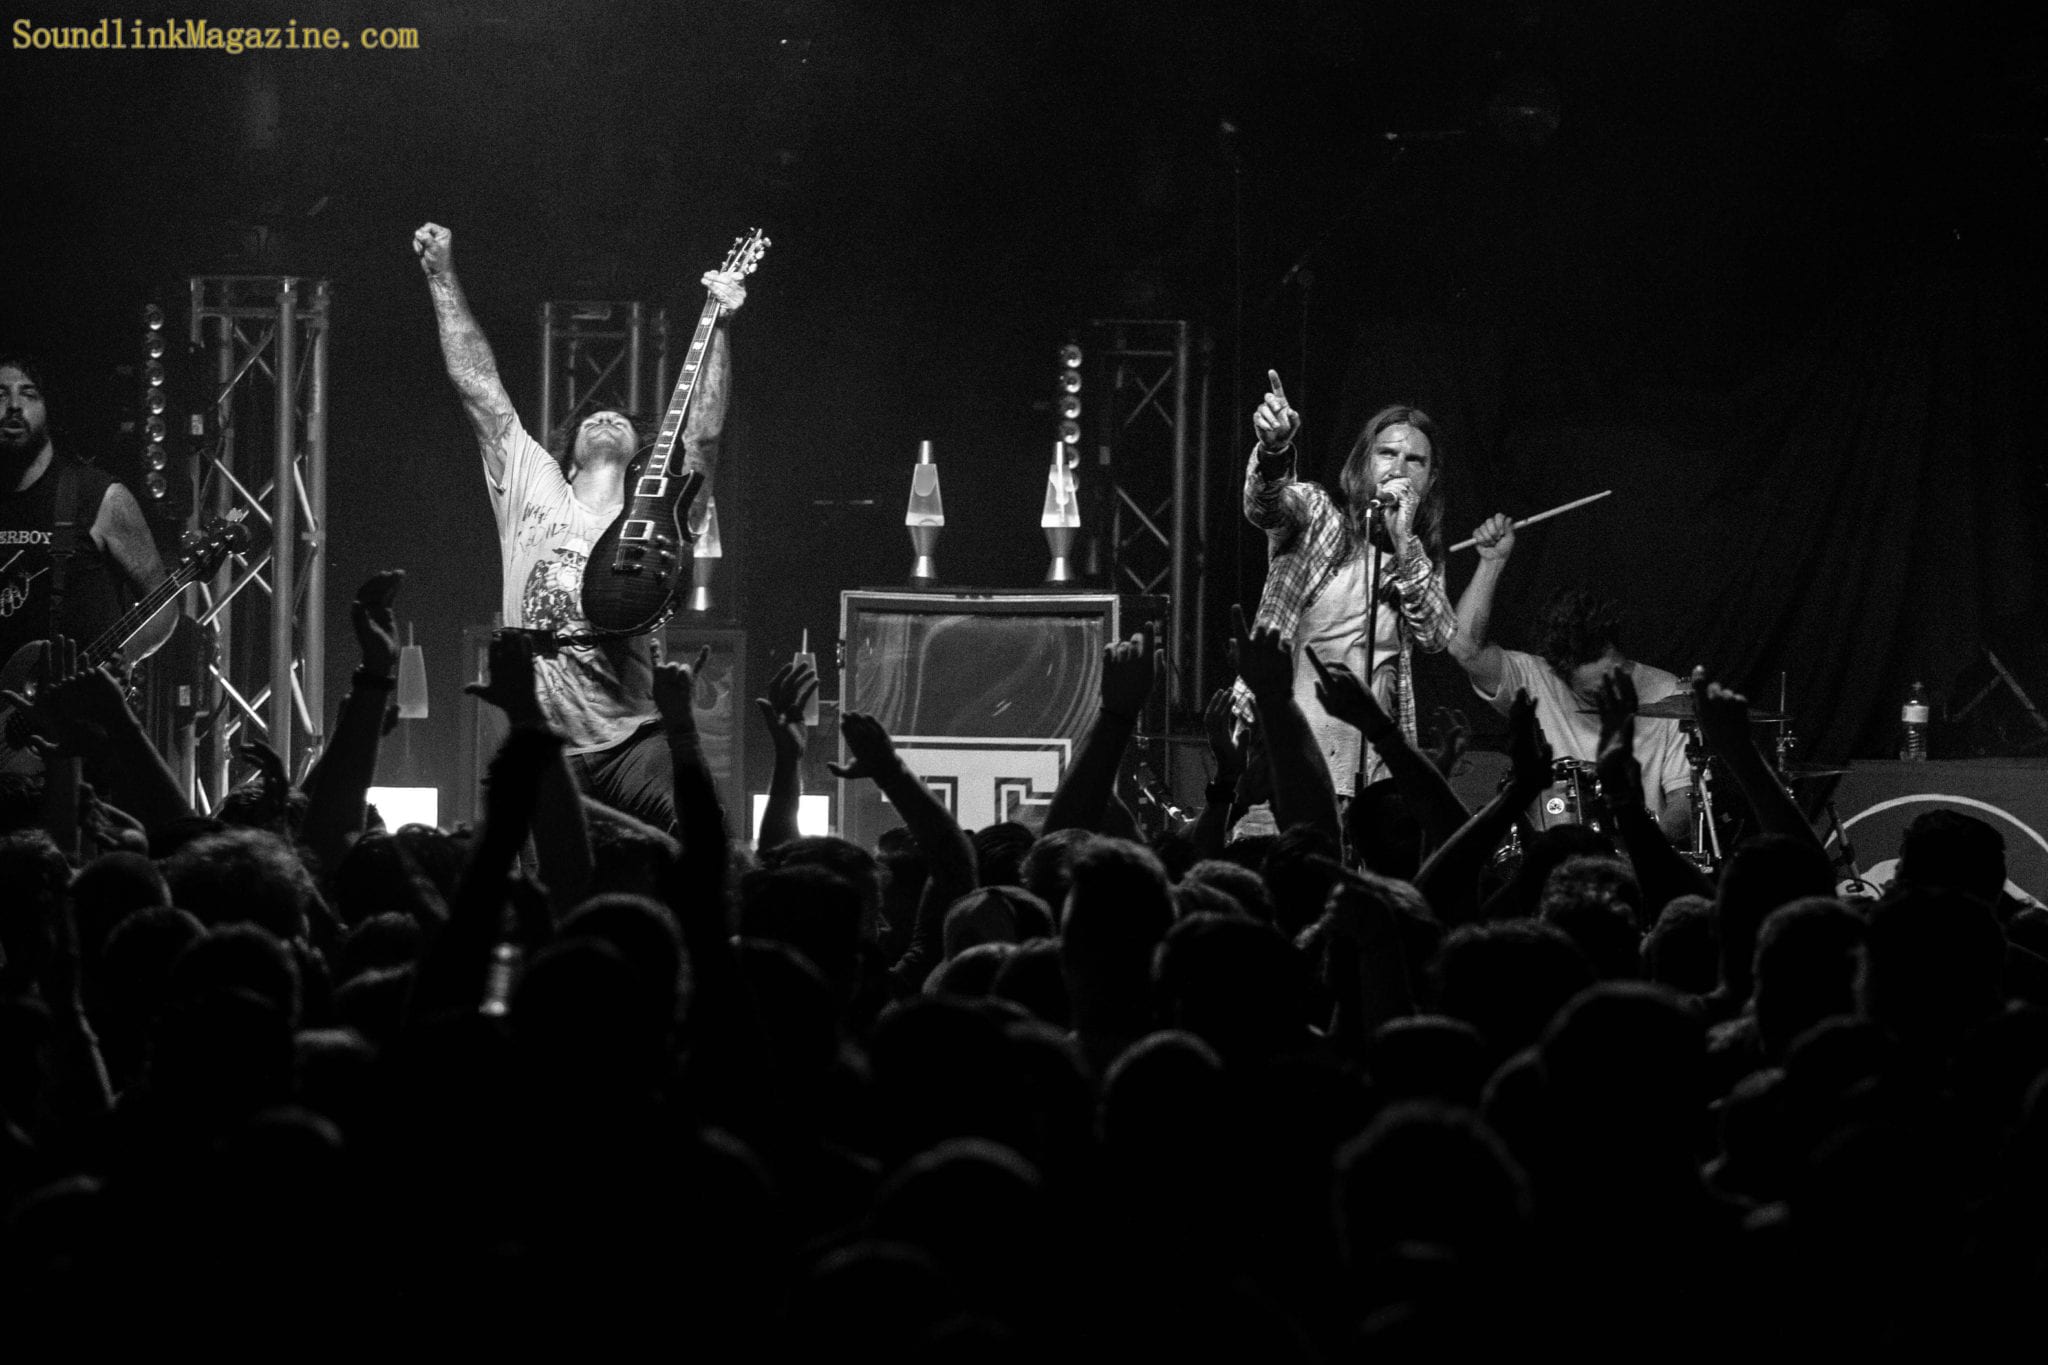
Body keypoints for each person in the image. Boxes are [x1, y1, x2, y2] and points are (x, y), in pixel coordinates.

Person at [412, 222, 746, 832]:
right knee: (530, 873)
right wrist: (441, 277)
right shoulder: (534, 489)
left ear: (641, 453)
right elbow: (481, 390)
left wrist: (719, 324)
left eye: (620, 420)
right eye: (593, 418)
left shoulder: (664, 509)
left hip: (633, 737)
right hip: (542, 739)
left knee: (704, 837)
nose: (606, 418)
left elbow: (702, 438)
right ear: (567, 460)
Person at [1234, 370, 1455, 795]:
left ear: (1429, 480)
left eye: (1415, 460)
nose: (1398, 468)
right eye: (1386, 453)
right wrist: (1274, 451)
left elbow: (1436, 635)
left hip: (1370, 771)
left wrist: (1405, 541)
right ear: (1364, 462)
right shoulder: (1318, 516)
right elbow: (1264, 507)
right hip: (1287, 759)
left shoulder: (1418, 560)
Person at [1449, 512, 1691, 843]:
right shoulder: (1534, 678)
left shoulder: (1668, 693)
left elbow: (1684, 801)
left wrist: (1644, 850)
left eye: (1616, 680)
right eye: (1593, 694)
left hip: (1634, 855)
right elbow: (1464, 648)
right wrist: (1492, 563)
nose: (1609, 697)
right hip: (1551, 854)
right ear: (1560, 674)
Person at [0, 354, 175, 675]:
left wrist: (127, 656)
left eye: (28, 394)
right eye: (0, 395)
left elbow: (163, 604)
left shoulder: (101, 497)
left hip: (76, 701)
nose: (13, 405)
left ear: (49, 408)